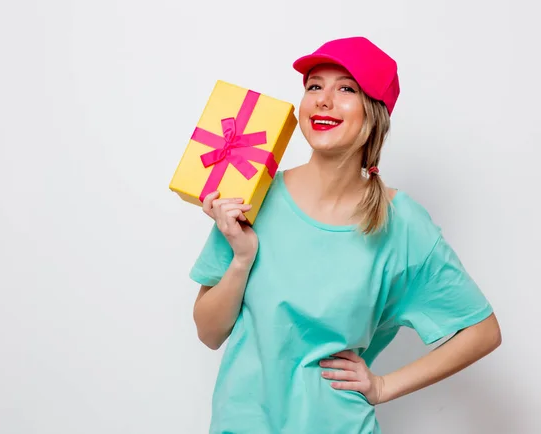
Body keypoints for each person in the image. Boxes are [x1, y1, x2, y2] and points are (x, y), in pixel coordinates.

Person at [189, 37, 502, 434]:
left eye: (346, 89)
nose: (323, 100)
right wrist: (241, 259)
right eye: (314, 86)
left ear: (375, 113)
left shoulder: (400, 221)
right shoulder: (252, 194)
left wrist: (384, 385)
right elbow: (209, 333)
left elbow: (482, 330)